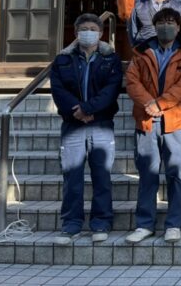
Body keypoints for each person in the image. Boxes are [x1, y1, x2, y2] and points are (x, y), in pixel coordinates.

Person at [124, 8, 181, 244]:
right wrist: (150, 103)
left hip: (177, 121)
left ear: (178, 27)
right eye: (162, 22)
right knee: (147, 173)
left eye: (171, 22)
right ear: (154, 26)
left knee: (176, 174)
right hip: (147, 120)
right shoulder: (141, 52)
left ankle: (173, 224)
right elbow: (132, 81)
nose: (166, 26)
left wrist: (161, 103)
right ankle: (144, 224)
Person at [51, 14, 122, 246]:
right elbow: (58, 89)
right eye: (84, 29)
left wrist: (89, 109)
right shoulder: (63, 59)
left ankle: (101, 222)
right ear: (76, 33)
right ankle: (71, 224)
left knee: (102, 175)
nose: (88, 32)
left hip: (101, 123)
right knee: (72, 176)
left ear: (101, 33)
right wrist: (77, 110)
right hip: (73, 123)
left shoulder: (111, 58)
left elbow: (111, 90)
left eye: (93, 29)